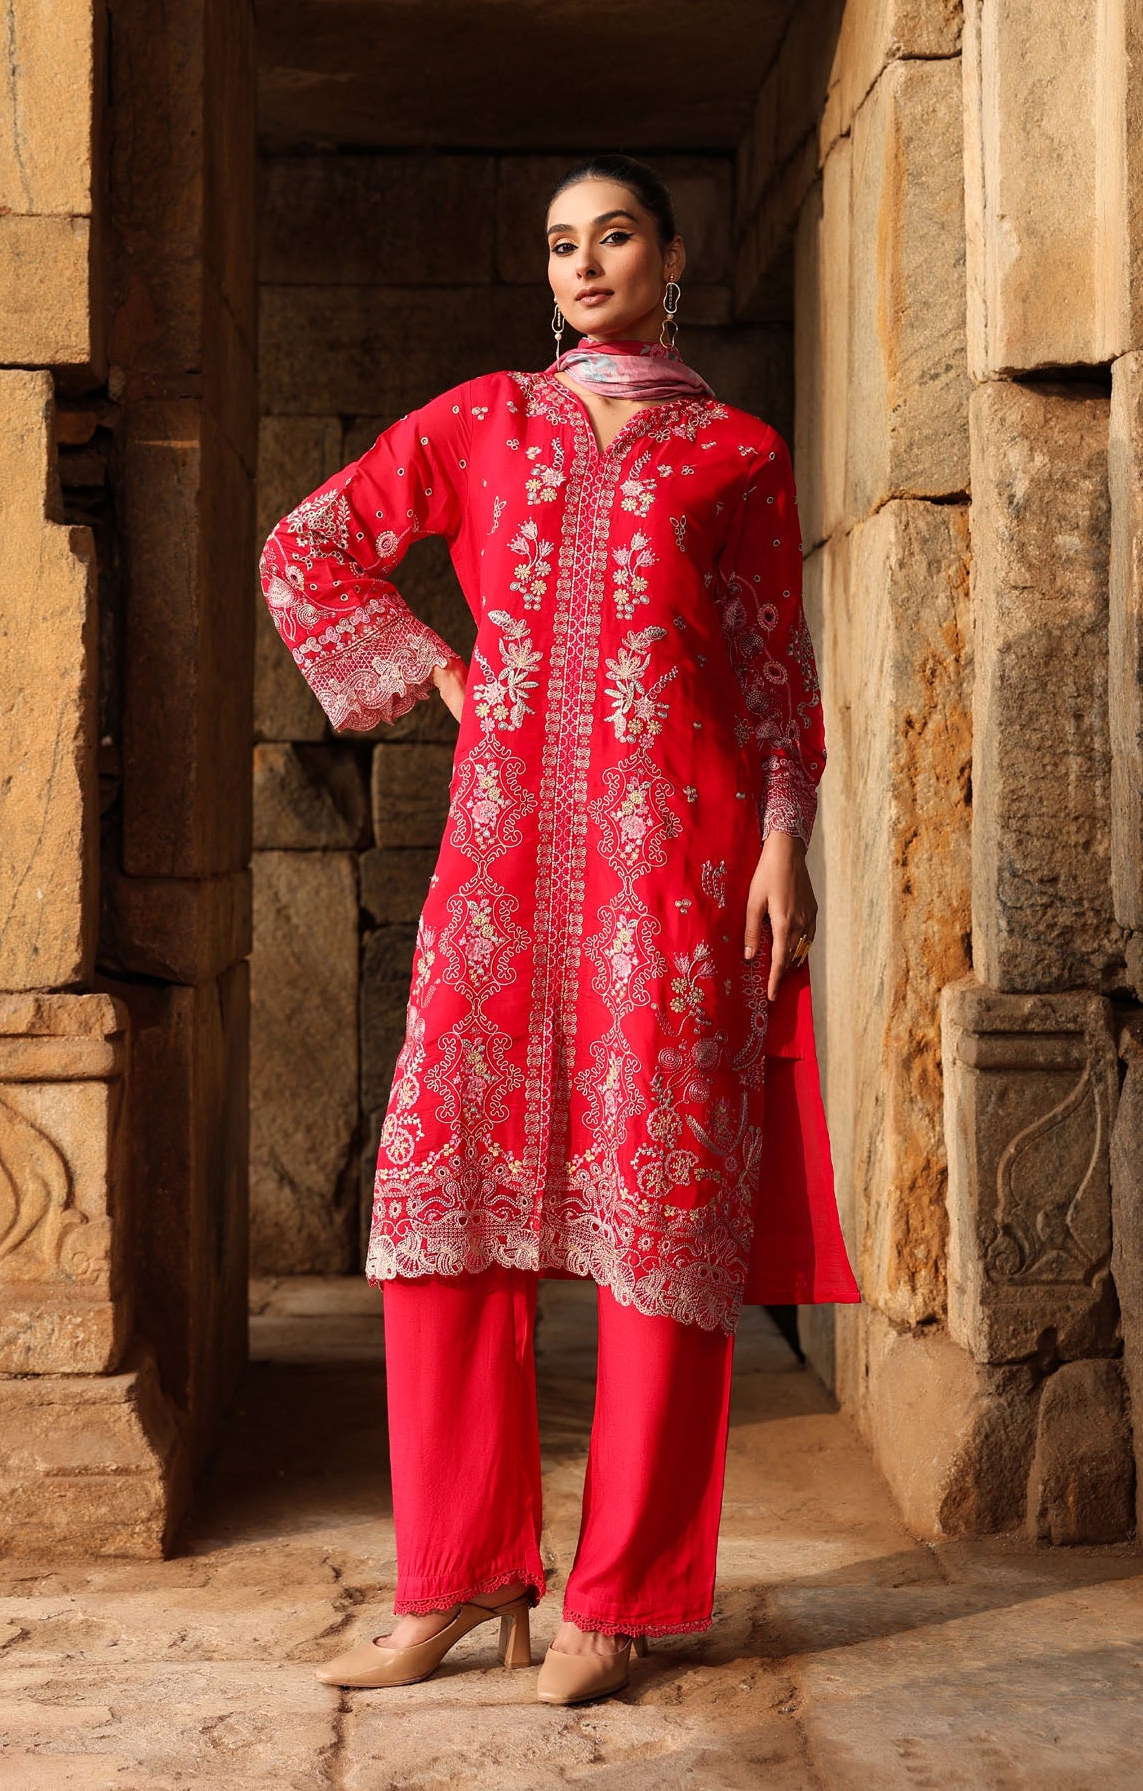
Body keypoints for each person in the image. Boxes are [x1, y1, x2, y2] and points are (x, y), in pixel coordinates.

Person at [258, 153, 860, 1706]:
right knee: (443, 1213)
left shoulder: (735, 451)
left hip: (676, 874)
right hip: (503, 875)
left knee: (663, 1232)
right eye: (561, 244)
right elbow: (305, 547)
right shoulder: (481, 422)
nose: (584, 264)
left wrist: (785, 838)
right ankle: (455, 1580)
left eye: (614, 237)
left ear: (673, 257)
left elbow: (777, 667)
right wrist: (439, 673)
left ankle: (623, 1600)